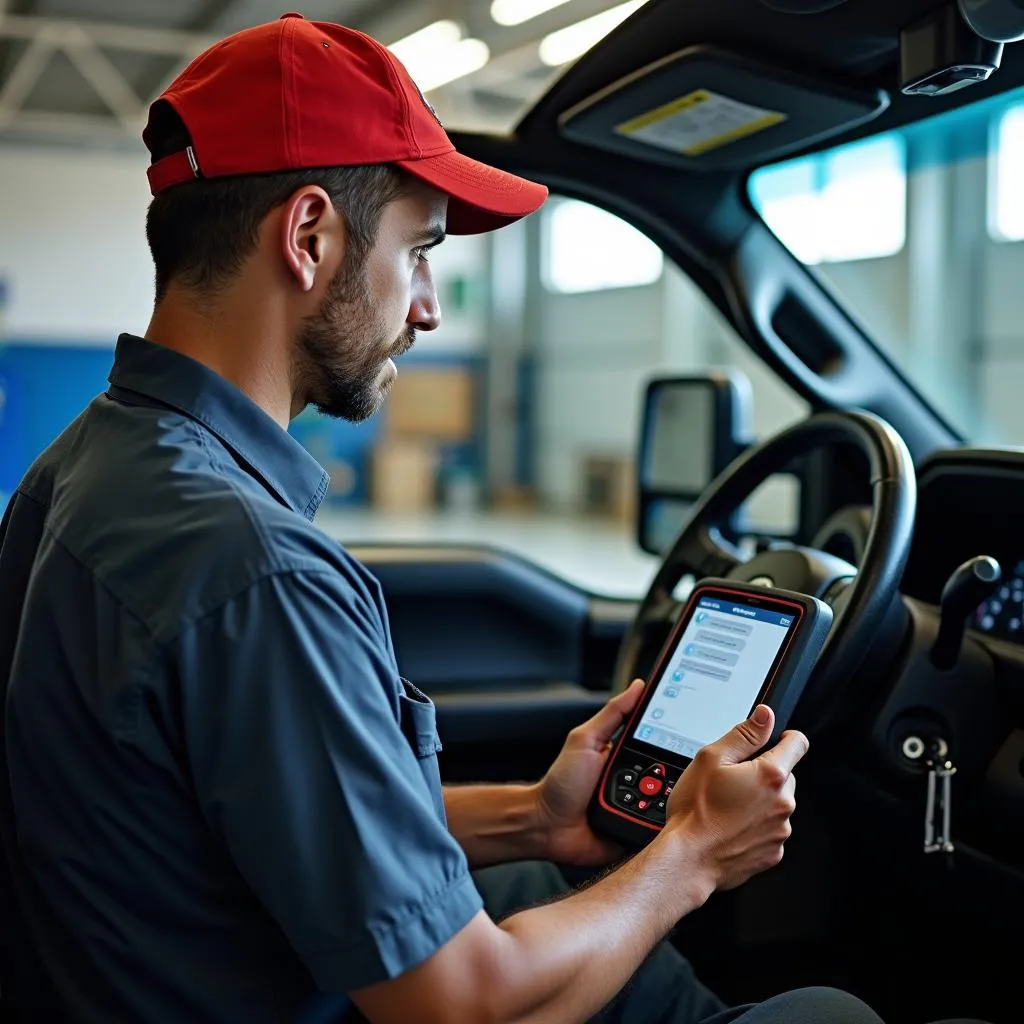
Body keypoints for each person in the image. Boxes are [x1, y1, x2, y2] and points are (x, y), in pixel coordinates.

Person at [0, 13, 987, 1024]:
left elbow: (241, 818)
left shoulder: (79, 471)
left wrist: (530, 817)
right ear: (308, 237)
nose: (427, 306)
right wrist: (690, 852)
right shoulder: (254, 570)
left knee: (542, 890)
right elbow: (463, 1009)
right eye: (418, 251)